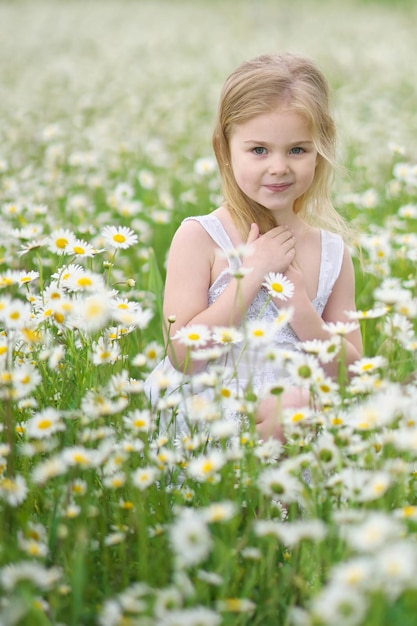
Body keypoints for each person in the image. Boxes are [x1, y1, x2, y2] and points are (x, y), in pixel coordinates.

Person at [145, 52, 363, 441]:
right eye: (259, 150)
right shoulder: (201, 238)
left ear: (320, 151)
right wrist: (253, 275)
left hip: (298, 429)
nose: (279, 166)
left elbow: (351, 371)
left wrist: (296, 305)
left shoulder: (332, 253)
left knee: (296, 406)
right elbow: (182, 356)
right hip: (211, 426)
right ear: (225, 150)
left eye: (297, 150)